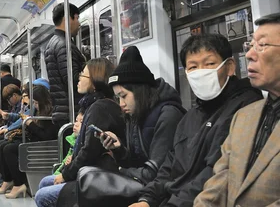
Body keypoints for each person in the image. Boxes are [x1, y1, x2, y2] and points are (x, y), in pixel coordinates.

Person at [131, 34, 262, 207]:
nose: (201, 72)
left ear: (229, 67)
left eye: (209, 64)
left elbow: (216, 172)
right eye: (193, 67)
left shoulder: (246, 107)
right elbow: (169, 166)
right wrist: (147, 199)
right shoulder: (189, 117)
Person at [194, 13, 280, 207]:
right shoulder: (244, 117)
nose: (249, 54)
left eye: (262, 46)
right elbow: (221, 179)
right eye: (250, 46)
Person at [35, 57, 123, 207]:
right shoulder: (94, 105)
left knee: (42, 196)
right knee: (45, 182)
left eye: (83, 74)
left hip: (98, 175)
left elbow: (90, 150)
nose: (79, 78)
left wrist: (66, 174)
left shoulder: (99, 108)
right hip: (92, 170)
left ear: (94, 82)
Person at [101, 47, 185, 186]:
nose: (121, 104)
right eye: (118, 98)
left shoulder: (168, 116)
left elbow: (155, 173)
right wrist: (119, 149)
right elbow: (136, 162)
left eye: (124, 96)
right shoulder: (135, 114)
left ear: (140, 91)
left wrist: (120, 170)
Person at [0, 84, 58, 199]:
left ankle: (19, 183)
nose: (33, 105)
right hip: (34, 142)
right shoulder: (38, 112)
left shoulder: (50, 116)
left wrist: (30, 124)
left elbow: (46, 136)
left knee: (8, 149)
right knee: (4, 146)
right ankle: (9, 179)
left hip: (42, 145)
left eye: (35, 102)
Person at [44, 2, 86, 128]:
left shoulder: (53, 42)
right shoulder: (64, 45)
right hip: (70, 112)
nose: (79, 24)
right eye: (77, 18)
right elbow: (73, 80)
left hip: (62, 110)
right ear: (67, 18)